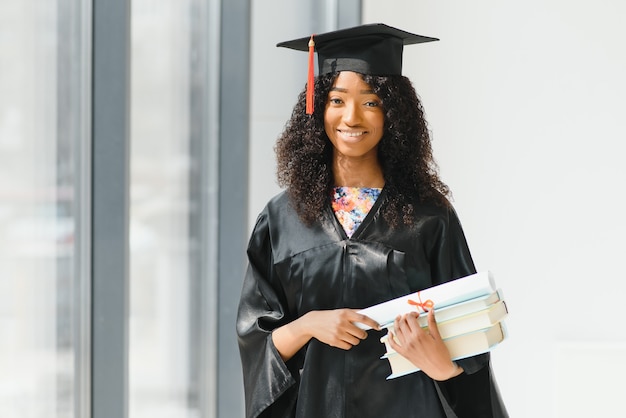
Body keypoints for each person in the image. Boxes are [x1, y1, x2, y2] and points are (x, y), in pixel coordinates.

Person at [236, 23, 508, 418]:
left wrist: (441, 365)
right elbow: (255, 338)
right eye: (336, 100)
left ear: (393, 113)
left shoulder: (429, 217)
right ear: (318, 108)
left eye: (371, 102)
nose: (351, 117)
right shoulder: (282, 218)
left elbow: (471, 342)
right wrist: (308, 325)